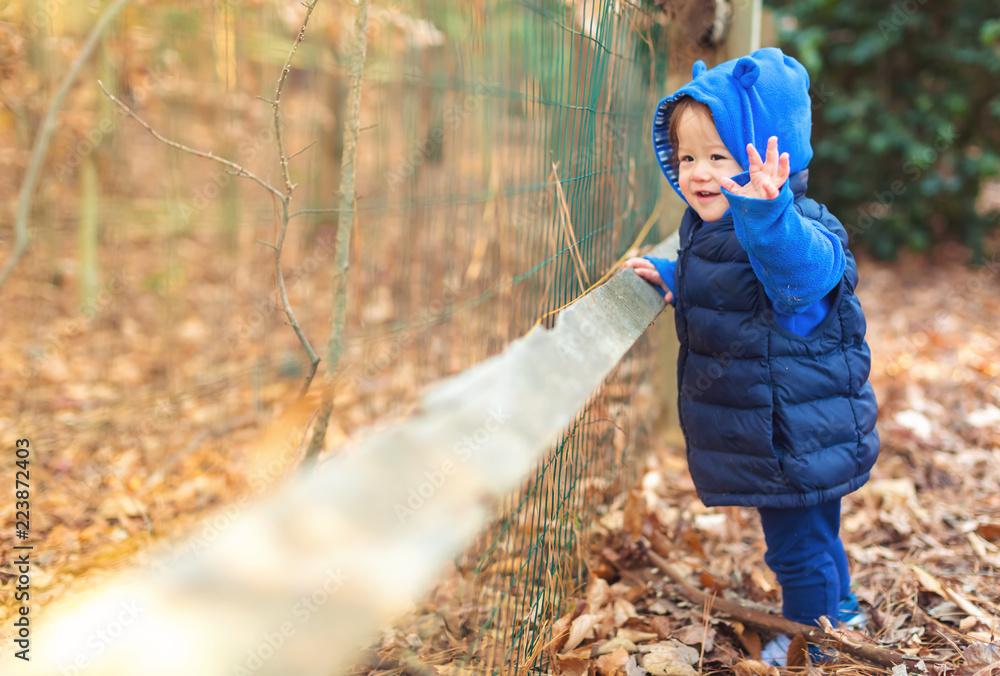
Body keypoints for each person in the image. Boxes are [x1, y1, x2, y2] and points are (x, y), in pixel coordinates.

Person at [623, 48, 878, 663]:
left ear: (773, 159)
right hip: (788, 427)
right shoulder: (713, 230)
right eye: (687, 158)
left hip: (793, 434)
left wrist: (769, 216)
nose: (698, 173)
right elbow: (730, 289)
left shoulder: (793, 231)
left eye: (720, 156)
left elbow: (798, 280)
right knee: (813, 535)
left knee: (797, 548)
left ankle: (814, 642)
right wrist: (672, 275)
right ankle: (838, 610)